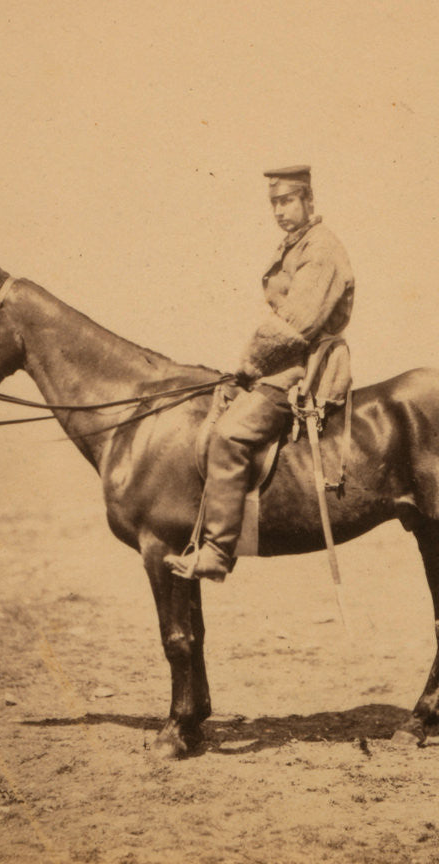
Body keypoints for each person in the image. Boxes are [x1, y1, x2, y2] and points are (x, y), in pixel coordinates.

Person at [165, 165, 355, 581]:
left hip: (304, 370)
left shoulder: (321, 249)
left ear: (308, 200)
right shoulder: (296, 245)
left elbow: (297, 323)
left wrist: (250, 364)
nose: (280, 211)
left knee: (229, 434)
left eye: (287, 201)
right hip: (283, 364)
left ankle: (217, 552)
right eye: (274, 203)